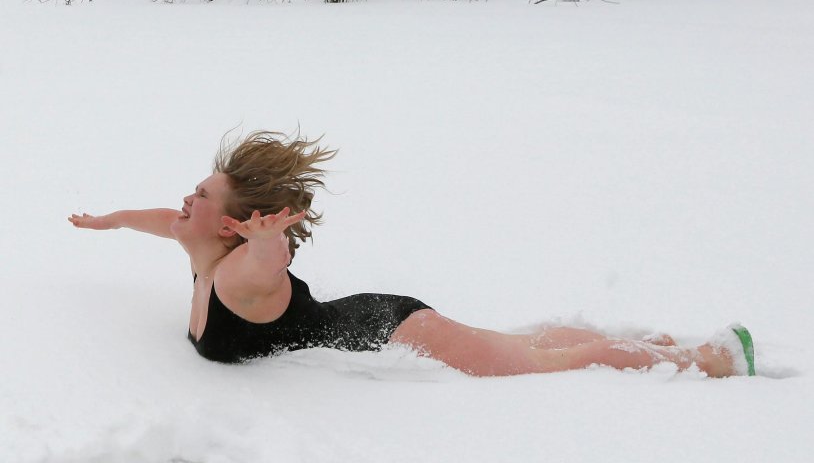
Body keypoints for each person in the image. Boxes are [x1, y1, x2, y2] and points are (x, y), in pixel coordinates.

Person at [69, 131, 755, 378]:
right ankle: (648, 344)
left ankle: (703, 361)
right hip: (376, 315)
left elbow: (267, 266)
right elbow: (157, 220)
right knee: (523, 342)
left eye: (199, 195)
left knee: (544, 362)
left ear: (234, 228)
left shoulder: (240, 280)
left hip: (395, 332)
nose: (182, 202)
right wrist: (107, 221)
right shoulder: (198, 243)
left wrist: (269, 239)